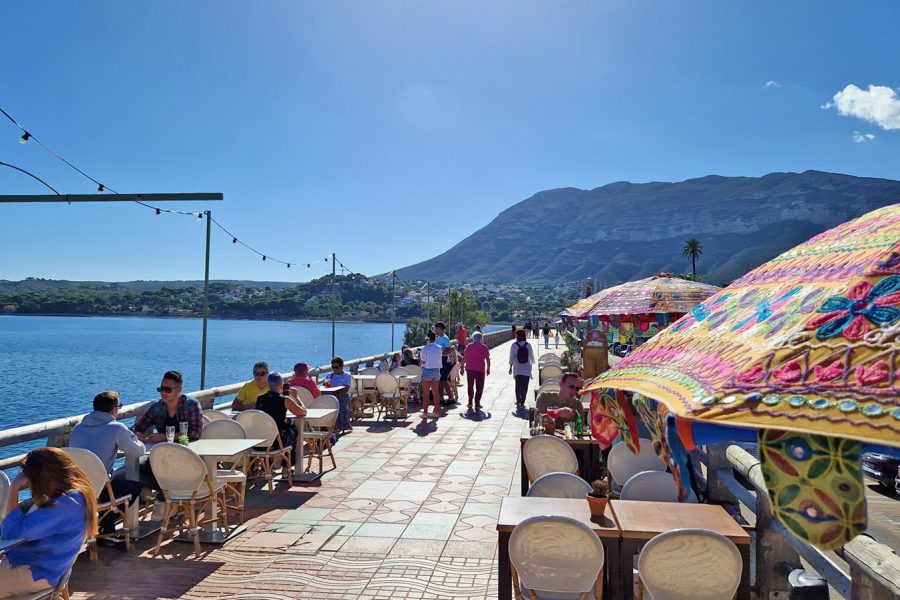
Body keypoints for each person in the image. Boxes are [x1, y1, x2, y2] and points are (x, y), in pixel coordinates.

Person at [0, 447, 98, 597]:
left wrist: (14, 487)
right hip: (44, 567)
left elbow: (10, 532)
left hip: (34, 571)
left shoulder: (66, 504)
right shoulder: (77, 496)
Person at [70, 390, 145, 534]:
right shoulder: (116, 428)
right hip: (100, 490)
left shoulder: (78, 428)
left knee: (117, 478)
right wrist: (136, 439)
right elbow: (138, 451)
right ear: (114, 409)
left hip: (77, 487)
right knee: (135, 487)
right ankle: (106, 526)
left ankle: (100, 527)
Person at [132, 370, 203, 491]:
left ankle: (166, 496)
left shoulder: (191, 405)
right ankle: (166, 494)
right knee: (137, 467)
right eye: (161, 389)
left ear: (179, 389)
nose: (163, 393)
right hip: (162, 455)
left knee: (165, 471)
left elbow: (195, 434)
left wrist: (166, 436)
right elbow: (138, 427)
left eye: (168, 390)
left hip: (187, 453)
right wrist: (137, 435)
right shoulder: (156, 407)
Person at [255, 372, 307, 458]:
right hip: (276, 442)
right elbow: (303, 412)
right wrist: (296, 396)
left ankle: (264, 463)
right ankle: (287, 465)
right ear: (281, 385)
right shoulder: (284, 400)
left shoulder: (259, 398)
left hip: (260, 441)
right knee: (293, 430)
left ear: (267, 385)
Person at [323, 356, 353, 434]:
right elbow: (325, 385)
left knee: (341, 406)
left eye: (337, 367)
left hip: (341, 394)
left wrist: (336, 397)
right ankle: (326, 425)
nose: (335, 369)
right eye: (333, 367)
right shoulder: (330, 375)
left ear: (342, 367)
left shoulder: (346, 376)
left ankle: (341, 425)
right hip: (330, 394)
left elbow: (346, 388)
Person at [464, 330, 491, 415]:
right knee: (479, 388)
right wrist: (488, 368)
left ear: (473, 338)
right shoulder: (484, 347)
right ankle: (477, 403)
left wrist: (461, 367)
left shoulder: (469, 346)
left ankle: (470, 402)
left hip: (470, 369)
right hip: (480, 370)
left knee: (470, 386)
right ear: (481, 338)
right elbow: (487, 359)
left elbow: (465, 358)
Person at [508, 328, 534, 411]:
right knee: (525, 386)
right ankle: (522, 402)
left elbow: (511, 357)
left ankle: (518, 401)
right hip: (526, 369)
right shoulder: (528, 345)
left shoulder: (514, 345)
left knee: (518, 386)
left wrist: (510, 367)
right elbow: (532, 358)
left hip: (517, 368)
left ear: (517, 336)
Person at [418, 331, 443, 418]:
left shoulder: (425, 348)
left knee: (426, 394)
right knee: (436, 393)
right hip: (436, 371)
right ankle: (436, 412)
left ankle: (425, 413)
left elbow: (423, 360)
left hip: (427, 371)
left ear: (428, 338)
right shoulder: (439, 347)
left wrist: (421, 362)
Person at [434, 321, 453, 403]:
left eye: (437, 329)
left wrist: (439, 353)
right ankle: (441, 398)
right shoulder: (437, 338)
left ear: (442, 330)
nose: (435, 330)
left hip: (444, 361)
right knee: (440, 380)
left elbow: (449, 351)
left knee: (444, 380)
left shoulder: (445, 338)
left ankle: (451, 398)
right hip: (438, 360)